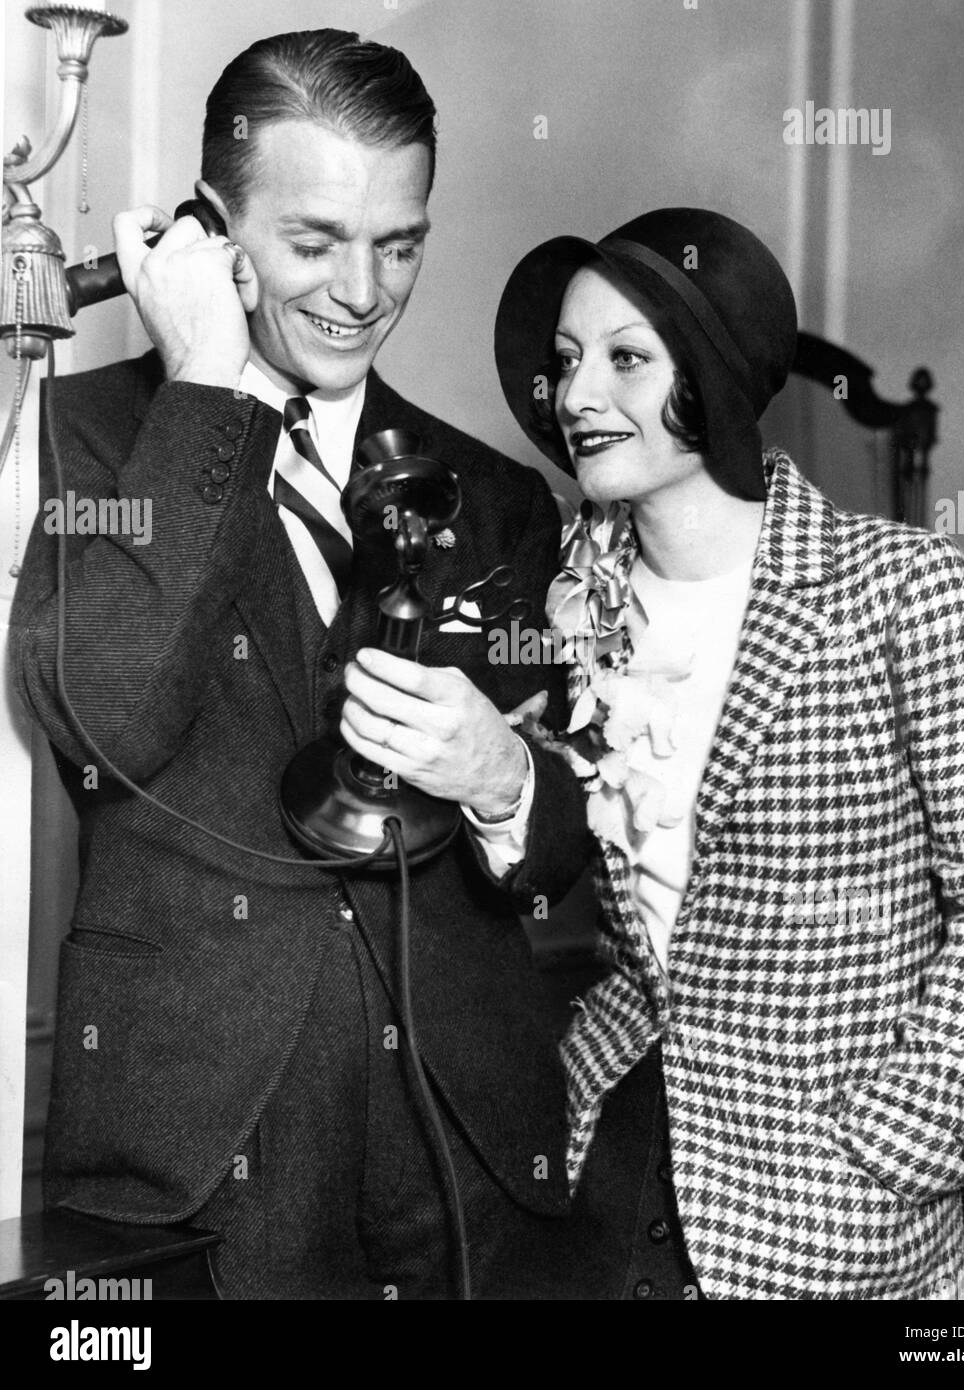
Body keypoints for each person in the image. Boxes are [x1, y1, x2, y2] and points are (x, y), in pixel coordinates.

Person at [9, 30, 591, 1300]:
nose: (364, 288)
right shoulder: (69, 443)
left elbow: (568, 852)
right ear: (211, 230)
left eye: (401, 242)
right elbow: (108, 719)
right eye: (315, 242)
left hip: (470, 1151)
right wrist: (210, 384)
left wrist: (504, 780)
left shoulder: (499, 497)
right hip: (202, 1152)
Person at [492, 206, 964, 1299]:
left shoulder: (902, 588)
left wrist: (903, 1132)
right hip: (613, 1163)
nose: (576, 396)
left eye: (626, 359)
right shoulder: (566, 598)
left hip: (836, 1204)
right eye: (568, 361)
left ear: (710, 379)